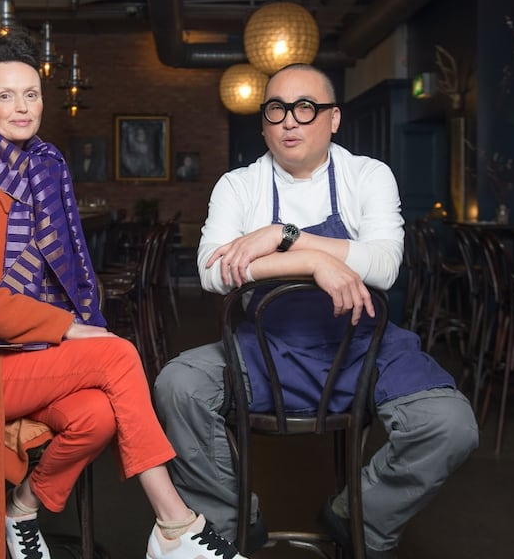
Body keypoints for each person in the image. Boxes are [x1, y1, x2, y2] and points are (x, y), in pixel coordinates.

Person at [0, 32, 248, 559]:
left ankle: (23, 507)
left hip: (26, 355)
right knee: (119, 354)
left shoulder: (46, 172)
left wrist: (66, 327)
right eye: (5, 96)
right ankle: (176, 524)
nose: (21, 107)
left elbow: (66, 276)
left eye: (30, 94)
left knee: (98, 415)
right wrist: (67, 328)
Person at [153, 63, 479, 559]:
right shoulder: (239, 186)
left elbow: (385, 266)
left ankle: (359, 514)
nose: (289, 121)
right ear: (262, 123)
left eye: (306, 108)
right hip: (264, 352)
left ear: (333, 119)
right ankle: (228, 523)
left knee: (450, 425)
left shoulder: (367, 175)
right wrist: (313, 263)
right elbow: (212, 273)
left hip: (364, 351)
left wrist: (283, 237)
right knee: (178, 386)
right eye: (276, 109)